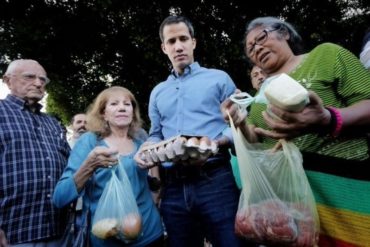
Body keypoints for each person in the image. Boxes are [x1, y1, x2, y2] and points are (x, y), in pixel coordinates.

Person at [222, 16, 370, 246]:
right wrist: (239, 122)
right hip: (295, 209)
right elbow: (256, 141)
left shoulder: (326, 55)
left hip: (348, 191)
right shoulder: (260, 96)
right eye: (250, 49)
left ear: (285, 33)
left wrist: (329, 119)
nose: (257, 47)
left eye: (261, 37)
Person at [134, 15, 251, 247]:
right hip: (174, 186)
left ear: (193, 42)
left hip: (215, 179)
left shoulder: (219, 79)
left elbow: (236, 127)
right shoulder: (158, 92)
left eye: (183, 39)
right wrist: (148, 147)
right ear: (163, 47)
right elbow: (157, 133)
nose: (178, 46)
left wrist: (216, 143)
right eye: (171, 41)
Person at [53, 86, 164, 247]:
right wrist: (89, 166)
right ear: (103, 114)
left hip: (150, 234)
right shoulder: (90, 142)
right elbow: (60, 197)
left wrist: (155, 188)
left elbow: (147, 183)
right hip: (106, 238)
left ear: (133, 112)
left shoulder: (141, 144)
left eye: (127, 104)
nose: (122, 108)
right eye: (114, 104)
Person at [0, 59, 70, 246]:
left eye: (43, 79)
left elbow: (70, 165)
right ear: (8, 81)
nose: (39, 83)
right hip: (13, 234)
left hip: (59, 231)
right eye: (29, 77)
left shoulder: (52, 122)